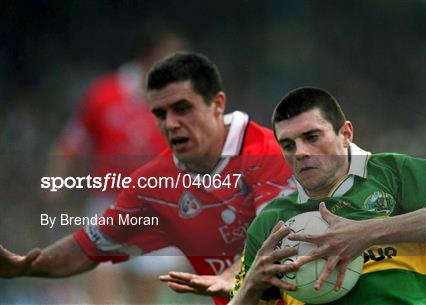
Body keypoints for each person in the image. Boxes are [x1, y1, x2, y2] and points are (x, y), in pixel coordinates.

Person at [0, 52, 294, 305]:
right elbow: (89, 247)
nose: (170, 124)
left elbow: (272, 235)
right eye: (160, 113)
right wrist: (26, 266)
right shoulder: (154, 184)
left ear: (217, 104)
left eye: (182, 109)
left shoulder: (267, 152)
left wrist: (232, 274)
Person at [229, 87, 426, 305]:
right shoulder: (272, 222)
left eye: (312, 137)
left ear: (345, 134)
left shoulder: (394, 173)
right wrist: (252, 285)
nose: (300, 152)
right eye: (288, 145)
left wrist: (367, 232)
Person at [44, 24, 188, 304]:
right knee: (102, 274)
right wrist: (54, 180)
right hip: (110, 201)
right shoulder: (104, 94)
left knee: (146, 292)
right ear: (152, 56)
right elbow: (72, 141)